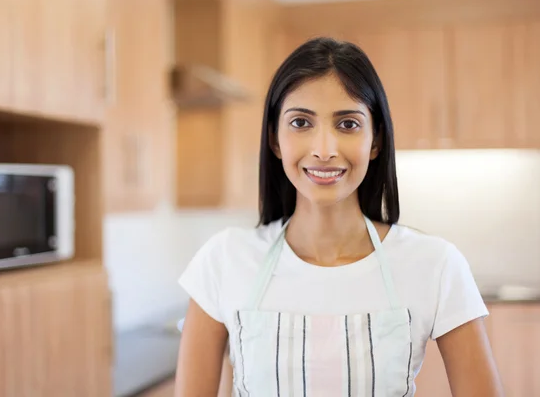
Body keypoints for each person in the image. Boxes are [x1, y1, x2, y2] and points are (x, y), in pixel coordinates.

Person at [175, 37, 503, 396]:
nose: (324, 150)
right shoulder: (224, 260)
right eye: (301, 123)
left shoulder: (435, 265)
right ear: (274, 139)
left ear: (375, 140)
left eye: (347, 124)